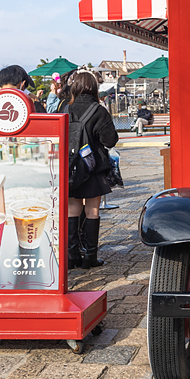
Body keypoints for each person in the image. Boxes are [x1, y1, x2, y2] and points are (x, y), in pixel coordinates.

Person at [63, 71, 118, 269]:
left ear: (75, 87)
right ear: (94, 88)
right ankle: (90, 257)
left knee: (72, 209)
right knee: (92, 209)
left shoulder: (64, 109)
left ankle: (71, 256)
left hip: (70, 167)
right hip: (92, 167)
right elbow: (110, 140)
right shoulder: (98, 110)